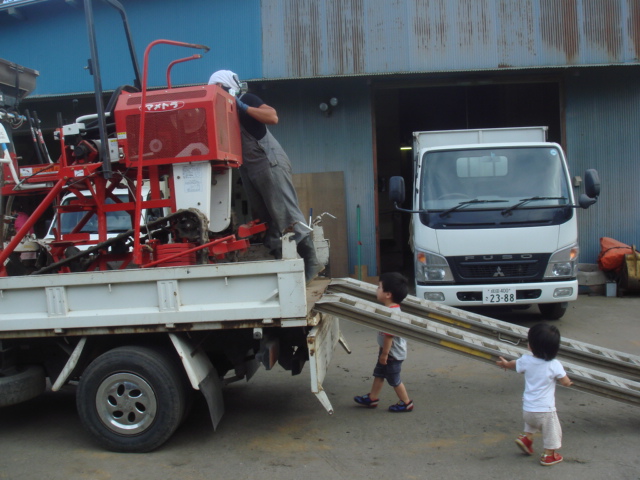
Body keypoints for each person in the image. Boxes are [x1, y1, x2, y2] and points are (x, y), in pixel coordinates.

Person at [208, 70, 323, 283]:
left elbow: (272, 117)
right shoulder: (222, 115)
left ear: (226, 87)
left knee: (286, 213)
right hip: (249, 168)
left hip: (268, 160)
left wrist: (244, 107)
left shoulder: (246, 100)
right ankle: (282, 264)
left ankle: (310, 263)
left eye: (217, 89)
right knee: (266, 220)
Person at [496, 323, 573, 466]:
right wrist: (569, 383)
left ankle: (526, 438)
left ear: (532, 346)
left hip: (528, 409)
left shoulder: (526, 360)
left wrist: (506, 364)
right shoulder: (554, 364)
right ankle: (549, 455)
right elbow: (564, 381)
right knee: (553, 432)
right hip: (545, 410)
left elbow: (514, 363)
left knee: (533, 422)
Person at [354, 272, 413, 412]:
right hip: (387, 352)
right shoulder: (390, 309)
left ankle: (406, 402)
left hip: (392, 354)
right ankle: (372, 398)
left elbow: (389, 337)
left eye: (379, 287)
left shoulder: (392, 313)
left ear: (388, 294)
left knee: (394, 379)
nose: (376, 289)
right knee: (379, 374)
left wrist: (384, 354)